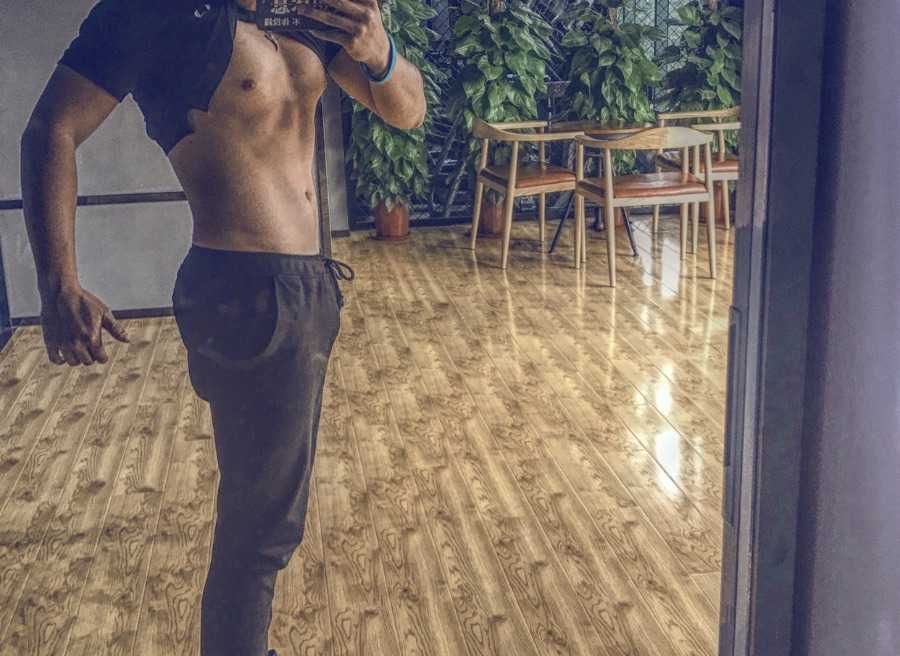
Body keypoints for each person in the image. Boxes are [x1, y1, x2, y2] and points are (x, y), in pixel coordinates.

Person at [20, 0, 426, 654]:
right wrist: (56, 286)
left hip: (308, 286)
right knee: (258, 534)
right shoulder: (153, 12)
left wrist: (379, 53)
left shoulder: (308, 11)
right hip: (244, 289)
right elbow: (50, 128)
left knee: (262, 523)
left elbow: (407, 111)